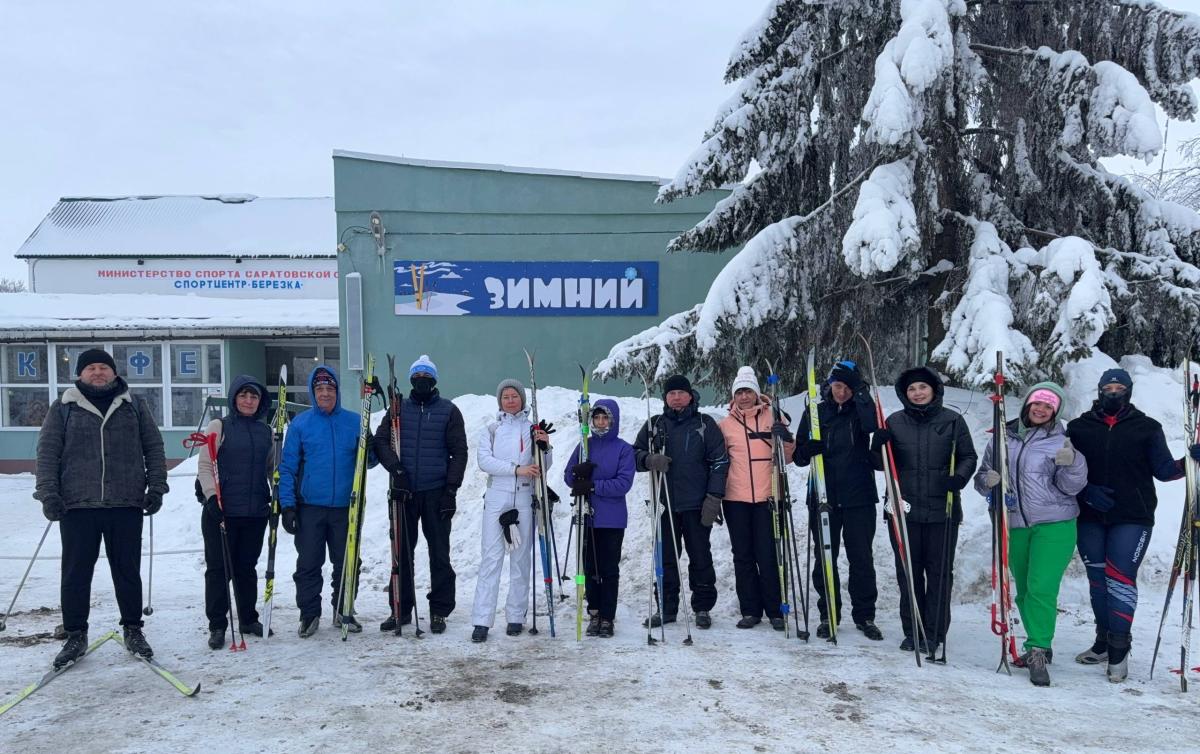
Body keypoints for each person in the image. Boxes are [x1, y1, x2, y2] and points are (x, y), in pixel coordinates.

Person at [34, 348, 167, 667]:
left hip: (126, 502)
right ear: (80, 374)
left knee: (127, 571)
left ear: (114, 372)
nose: (97, 372)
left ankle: (133, 629)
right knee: (76, 573)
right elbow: (48, 452)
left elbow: (154, 447)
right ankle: (75, 634)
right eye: (91, 368)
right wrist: (48, 493)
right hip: (77, 504)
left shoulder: (134, 405)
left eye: (103, 367)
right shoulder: (64, 407)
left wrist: (157, 487)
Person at [1067, 367, 1199, 682]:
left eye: (1119, 388)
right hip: (1089, 514)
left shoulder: (1147, 428)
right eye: (1108, 387)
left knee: (1120, 579)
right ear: (1099, 390)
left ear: (1128, 391)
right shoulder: (1078, 428)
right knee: (1097, 580)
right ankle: (1102, 641)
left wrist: (1190, 461)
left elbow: (1165, 471)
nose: (1113, 392)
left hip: (1133, 516)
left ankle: (1118, 649)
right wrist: (1086, 491)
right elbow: (1063, 472)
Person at [974, 382, 1087, 686]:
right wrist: (989, 479)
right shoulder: (1003, 436)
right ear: (1027, 405)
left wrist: (1073, 463)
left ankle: (1037, 649)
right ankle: (1040, 643)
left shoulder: (1063, 441)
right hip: (1013, 525)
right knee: (1023, 589)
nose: (1040, 409)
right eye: (1037, 403)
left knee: (1041, 587)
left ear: (1055, 411)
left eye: (1048, 406)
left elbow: (1073, 487)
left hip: (1055, 525)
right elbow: (981, 479)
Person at [871, 366, 976, 654]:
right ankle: (914, 630)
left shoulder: (953, 421)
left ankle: (935, 631)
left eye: (922, 388)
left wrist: (959, 479)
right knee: (909, 574)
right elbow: (880, 464)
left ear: (934, 390)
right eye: (911, 389)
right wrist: (876, 445)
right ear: (905, 394)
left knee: (940, 574)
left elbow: (968, 456)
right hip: (903, 511)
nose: (917, 393)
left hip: (943, 511)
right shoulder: (893, 422)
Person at [278, 365, 377, 638]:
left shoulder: (355, 422)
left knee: (347, 563)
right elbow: (287, 468)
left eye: (330, 388)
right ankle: (309, 615)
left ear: (337, 392)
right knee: (309, 564)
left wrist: (371, 444)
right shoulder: (301, 424)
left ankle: (343, 609)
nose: (325, 393)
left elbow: (368, 462)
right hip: (310, 506)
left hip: (347, 507)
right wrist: (287, 505)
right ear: (313, 392)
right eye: (320, 389)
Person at [372, 355, 468, 635]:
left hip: (436, 492)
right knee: (401, 553)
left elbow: (459, 452)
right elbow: (381, 440)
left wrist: (451, 490)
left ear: (434, 380)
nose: (422, 381)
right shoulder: (398, 409)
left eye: (427, 377)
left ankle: (439, 610)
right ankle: (400, 608)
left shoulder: (449, 411)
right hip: (404, 492)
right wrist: (396, 471)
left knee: (439, 554)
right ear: (411, 380)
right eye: (417, 377)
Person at [793, 360, 884, 641]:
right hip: (823, 497)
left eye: (846, 386)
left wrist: (862, 398)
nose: (841, 392)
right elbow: (798, 457)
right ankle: (827, 612)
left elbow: (873, 431)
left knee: (861, 559)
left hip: (859, 497)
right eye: (837, 386)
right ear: (828, 386)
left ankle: (865, 615)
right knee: (824, 558)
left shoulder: (862, 412)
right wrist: (808, 449)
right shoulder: (816, 413)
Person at [634, 374, 729, 629]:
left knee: (700, 557)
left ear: (690, 395)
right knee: (665, 557)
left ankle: (702, 608)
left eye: (680, 393)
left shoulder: (704, 423)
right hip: (664, 504)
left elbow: (720, 462)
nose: (676, 397)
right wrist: (648, 459)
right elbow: (633, 454)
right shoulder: (655, 425)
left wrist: (714, 497)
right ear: (665, 398)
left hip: (697, 504)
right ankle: (666, 607)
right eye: (671, 393)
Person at [469, 379, 553, 642]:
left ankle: (516, 616)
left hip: (525, 494)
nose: (510, 400)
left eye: (514, 395)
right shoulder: (492, 429)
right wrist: (516, 469)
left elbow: (544, 465)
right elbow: (485, 461)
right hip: (498, 495)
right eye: (505, 396)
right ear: (500, 401)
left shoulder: (532, 428)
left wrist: (545, 446)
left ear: (522, 399)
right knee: (492, 558)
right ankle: (482, 620)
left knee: (520, 559)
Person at [195, 374, 273, 650]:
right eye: (244, 396)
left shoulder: (266, 432)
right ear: (234, 398)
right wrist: (211, 498)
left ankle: (248, 618)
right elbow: (205, 465)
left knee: (246, 568)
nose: (249, 401)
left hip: (254, 511)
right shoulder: (220, 425)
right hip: (222, 511)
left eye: (254, 396)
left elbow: (270, 469)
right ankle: (217, 624)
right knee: (219, 569)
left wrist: (277, 496)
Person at [718, 366, 795, 631]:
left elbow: (788, 456)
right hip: (735, 498)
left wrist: (785, 439)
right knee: (743, 555)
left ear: (756, 393)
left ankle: (775, 609)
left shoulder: (774, 416)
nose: (743, 397)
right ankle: (750, 610)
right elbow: (718, 461)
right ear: (734, 396)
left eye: (748, 391)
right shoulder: (725, 425)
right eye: (739, 392)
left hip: (768, 496)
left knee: (769, 554)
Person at [564, 399, 635, 637]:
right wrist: (578, 476)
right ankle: (593, 612)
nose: (601, 422)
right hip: (587, 516)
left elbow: (623, 484)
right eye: (597, 418)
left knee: (608, 569)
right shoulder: (585, 445)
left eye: (605, 418)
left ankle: (607, 616)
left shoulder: (623, 449)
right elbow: (568, 476)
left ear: (613, 420)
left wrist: (593, 485)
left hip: (612, 519)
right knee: (589, 568)